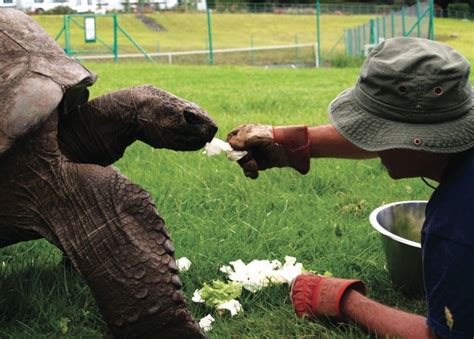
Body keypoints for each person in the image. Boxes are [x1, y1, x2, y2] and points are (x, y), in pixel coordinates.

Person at [226, 37, 474, 338]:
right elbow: (403, 140)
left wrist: (343, 300)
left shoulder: (455, 221)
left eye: (375, 132)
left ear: (416, 138)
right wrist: (287, 141)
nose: (370, 143)